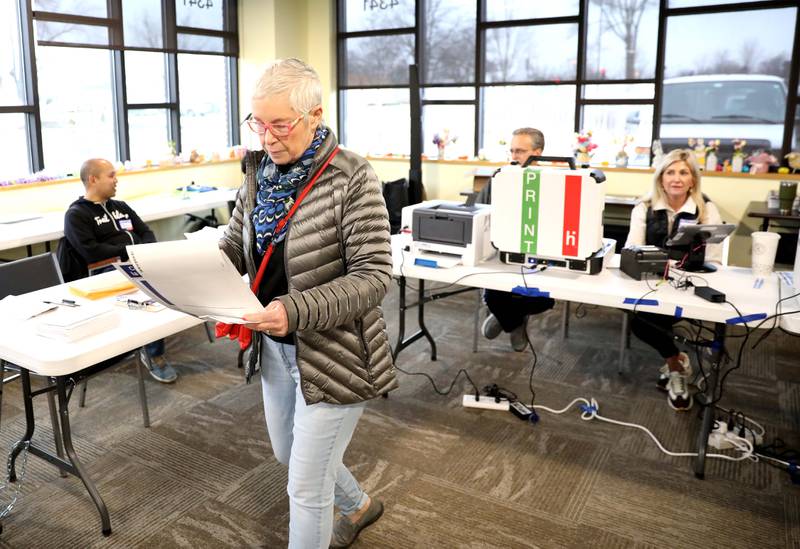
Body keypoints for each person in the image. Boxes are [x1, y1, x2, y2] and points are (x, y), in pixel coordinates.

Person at [218, 58, 396, 549]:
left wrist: (291, 311)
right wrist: (184, 279)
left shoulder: (351, 177)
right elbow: (235, 246)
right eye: (257, 123)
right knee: (287, 452)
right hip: (276, 348)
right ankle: (359, 504)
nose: (267, 137)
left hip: (337, 353)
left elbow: (374, 276)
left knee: (305, 485)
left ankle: (345, 508)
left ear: (315, 115)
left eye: (280, 124)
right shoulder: (258, 173)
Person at [60, 158, 178, 383]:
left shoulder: (121, 207)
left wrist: (142, 252)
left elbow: (146, 232)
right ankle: (153, 353)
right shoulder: (76, 215)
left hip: (137, 263)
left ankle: (151, 340)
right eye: (111, 175)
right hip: (105, 271)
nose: (117, 180)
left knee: (171, 275)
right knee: (149, 289)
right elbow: (91, 251)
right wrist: (129, 252)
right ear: (93, 179)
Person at [624, 148, 723, 411]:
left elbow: (715, 259)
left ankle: (674, 366)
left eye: (683, 172)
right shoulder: (643, 208)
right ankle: (676, 364)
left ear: (693, 180)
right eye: (670, 172)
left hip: (689, 286)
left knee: (652, 321)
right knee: (641, 321)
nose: (676, 178)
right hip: (650, 283)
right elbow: (632, 249)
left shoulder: (706, 209)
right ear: (660, 178)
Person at [476, 127, 556, 351]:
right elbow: (481, 213)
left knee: (544, 300)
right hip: (503, 252)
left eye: (520, 151)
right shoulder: (500, 178)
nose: (514, 157)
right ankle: (515, 323)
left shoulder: (554, 182)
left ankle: (506, 320)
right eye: (511, 151)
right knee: (493, 296)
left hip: (541, 254)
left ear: (538, 153)